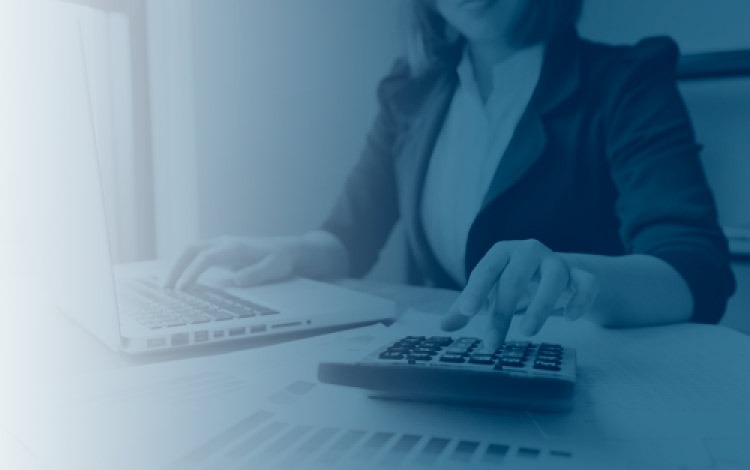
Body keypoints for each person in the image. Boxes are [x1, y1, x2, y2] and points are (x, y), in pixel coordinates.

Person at [163, 0, 735, 347]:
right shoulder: (410, 92)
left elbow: (695, 269)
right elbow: (348, 238)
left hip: (585, 370)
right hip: (446, 362)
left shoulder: (626, 80)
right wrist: (287, 250)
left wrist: (572, 275)